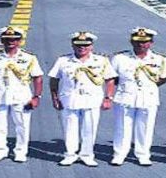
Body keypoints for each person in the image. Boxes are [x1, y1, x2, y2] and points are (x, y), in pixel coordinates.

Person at [49, 31, 116, 167]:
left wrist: (108, 98)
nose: (82, 47)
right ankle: (70, 155)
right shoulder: (63, 60)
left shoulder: (101, 60)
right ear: (73, 45)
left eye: (86, 45)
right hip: (69, 99)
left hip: (92, 99)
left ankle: (87, 155)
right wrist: (55, 97)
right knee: (69, 128)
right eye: (78, 45)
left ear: (91, 46)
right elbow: (54, 79)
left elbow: (110, 79)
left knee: (90, 128)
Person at [0, 26, 44, 163]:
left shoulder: (29, 58)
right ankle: (0, 151)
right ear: (2, 41)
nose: (11, 42)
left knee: (22, 126)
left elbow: (37, 77)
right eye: (7, 39)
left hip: (21, 97)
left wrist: (36, 96)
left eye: (14, 39)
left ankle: (20, 152)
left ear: (20, 41)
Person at [109, 27, 166, 166]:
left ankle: (143, 155)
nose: (141, 44)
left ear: (151, 43)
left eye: (144, 42)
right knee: (122, 127)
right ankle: (119, 154)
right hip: (125, 97)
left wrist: (149, 86)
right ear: (131, 41)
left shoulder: (160, 59)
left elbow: (165, 77)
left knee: (146, 127)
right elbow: (113, 77)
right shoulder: (120, 58)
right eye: (137, 41)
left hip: (148, 98)